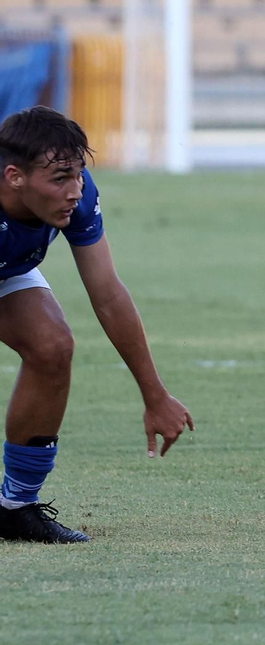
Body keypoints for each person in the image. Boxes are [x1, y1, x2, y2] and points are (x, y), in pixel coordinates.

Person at [0, 107, 193, 543]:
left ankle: (15, 507)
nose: (74, 191)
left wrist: (155, 394)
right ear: (14, 176)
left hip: (7, 267)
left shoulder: (79, 197)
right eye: (59, 179)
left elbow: (108, 294)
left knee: (53, 346)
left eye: (79, 175)